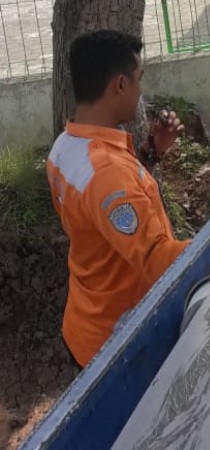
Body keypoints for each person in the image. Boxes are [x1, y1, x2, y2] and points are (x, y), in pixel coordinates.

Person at [46, 30, 190, 368]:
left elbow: (103, 211)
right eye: (139, 79)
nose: (141, 91)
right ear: (121, 85)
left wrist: (152, 152)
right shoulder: (107, 172)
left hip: (86, 321)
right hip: (118, 345)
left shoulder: (64, 148)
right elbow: (158, 261)